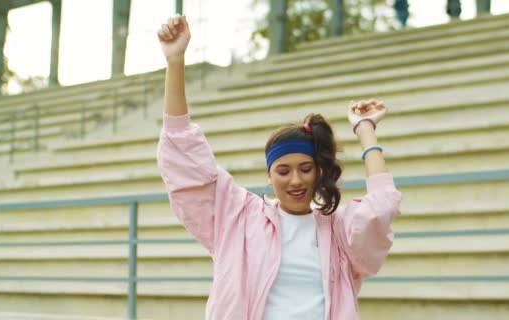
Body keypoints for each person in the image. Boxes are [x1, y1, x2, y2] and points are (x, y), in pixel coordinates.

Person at [156, 14, 402, 320]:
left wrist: (365, 128)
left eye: (306, 168)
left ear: (318, 172)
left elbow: (380, 208)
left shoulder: (338, 230)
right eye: (283, 171)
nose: (296, 180)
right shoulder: (239, 217)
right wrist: (176, 61)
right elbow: (184, 155)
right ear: (269, 176)